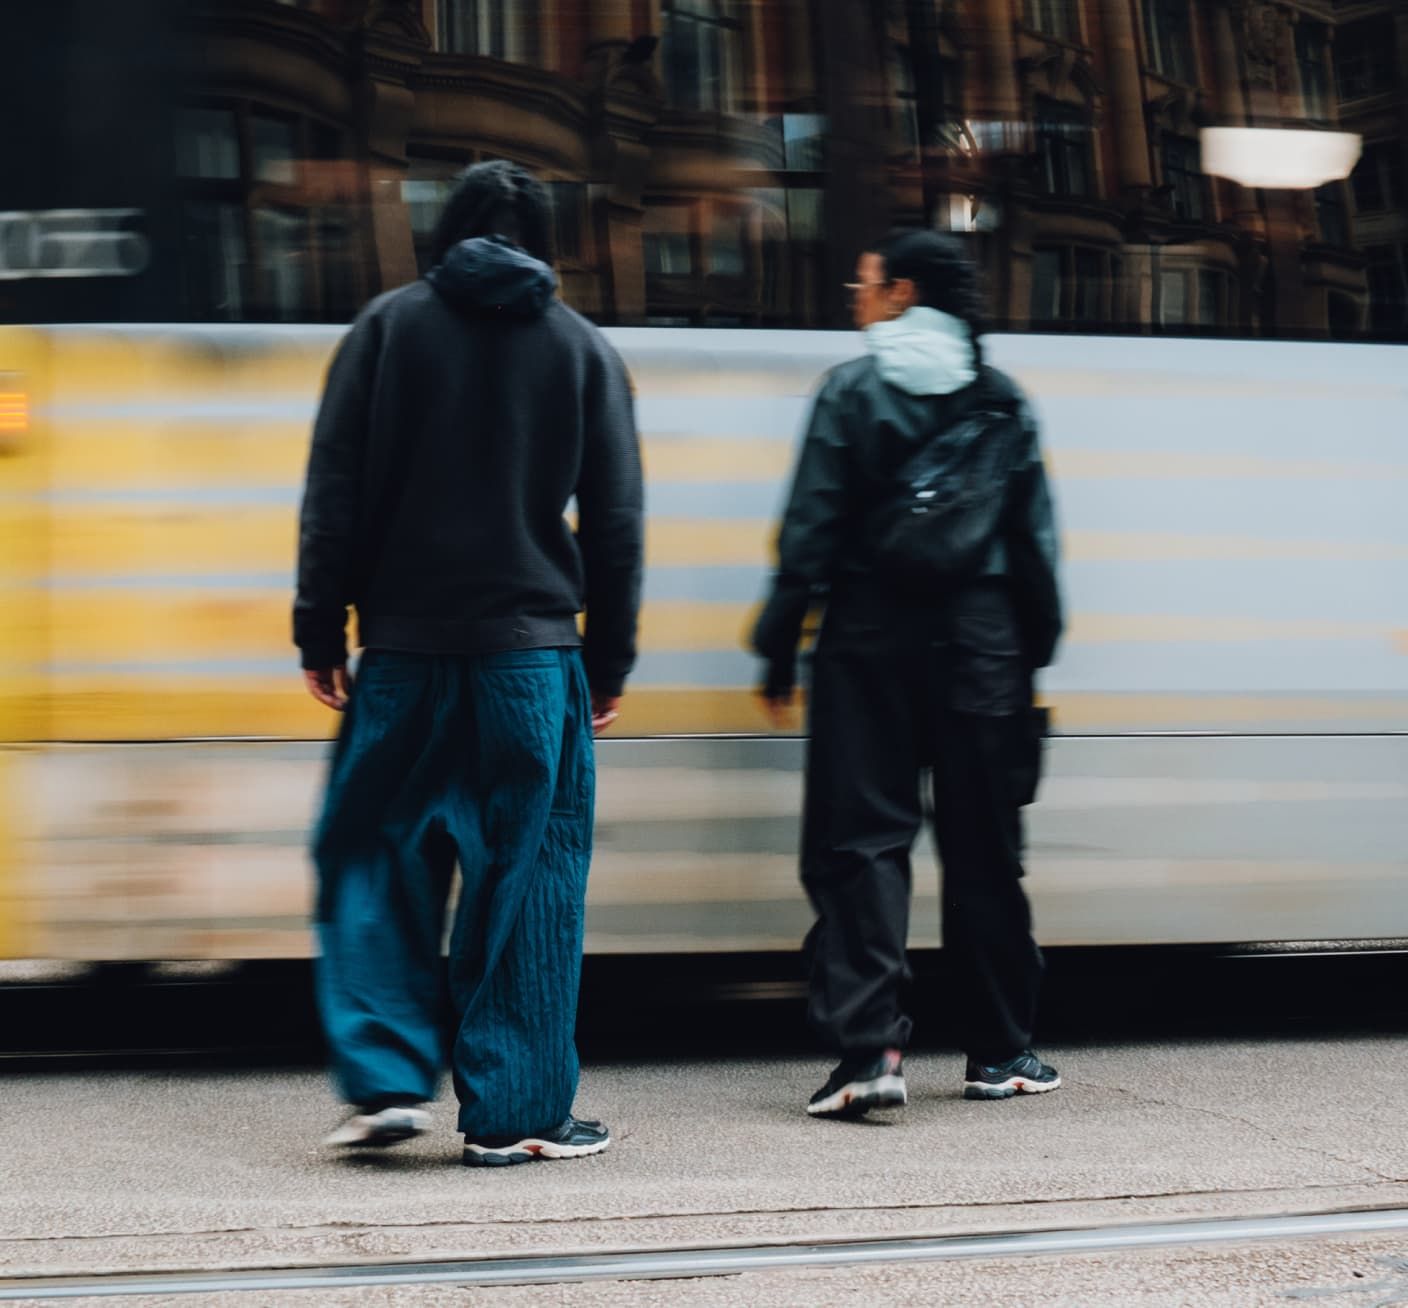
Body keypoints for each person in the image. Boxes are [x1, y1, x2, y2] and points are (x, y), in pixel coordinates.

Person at [294, 160, 643, 1166]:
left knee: (371, 858)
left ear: (442, 234)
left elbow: (334, 496)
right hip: (531, 664)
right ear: (546, 241)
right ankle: (517, 1115)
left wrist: (322, 633)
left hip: (400, 654)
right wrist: (607, 660)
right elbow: (614, 524)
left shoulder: (387, 329)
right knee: (525, 877)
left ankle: (387, 1079)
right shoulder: (581, 348)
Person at [752, 229, 1063, 1119]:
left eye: (866, 281)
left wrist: (780, 641)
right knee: (985, 853)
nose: (856, 294)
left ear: (904, 292)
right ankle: (1001, 1052)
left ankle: (870, 1053)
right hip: (984, 644)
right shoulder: (1002, 398)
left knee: (862, 843)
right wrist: (1028, 654)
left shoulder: (852, 391)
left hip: (870, 638)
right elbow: (1033, 546)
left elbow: (810, 529)